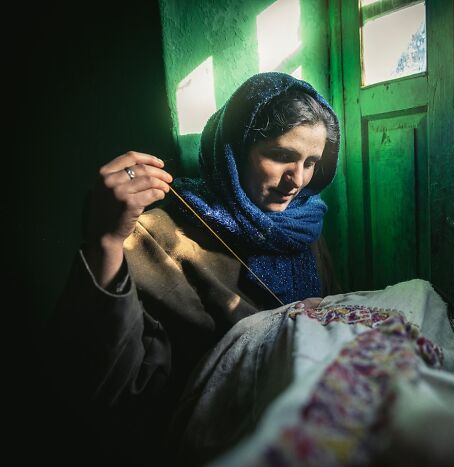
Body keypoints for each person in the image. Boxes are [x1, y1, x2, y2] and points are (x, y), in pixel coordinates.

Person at [45, 72, 341, 466]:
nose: (297, 180)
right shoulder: (155, 236)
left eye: (311, 162)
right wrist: (107, 241)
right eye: (282, 156)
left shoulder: (304, 225)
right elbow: (109, 390)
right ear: (234, 150)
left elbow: (335, 319)